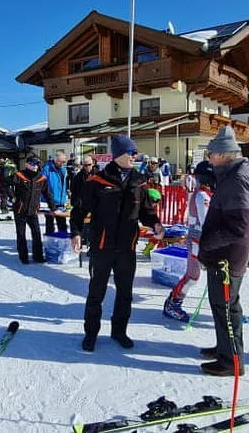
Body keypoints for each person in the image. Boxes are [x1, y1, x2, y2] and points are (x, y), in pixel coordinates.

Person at [70, 135, 163, 352]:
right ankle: (91, 333)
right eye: (132, 152)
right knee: (96, 292)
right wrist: (75, 233)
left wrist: (156, 224)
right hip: (102, 247)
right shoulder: (97, 181)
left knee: (125, 293)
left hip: (127, 247)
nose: (135, 156)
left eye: (135, 152)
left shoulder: (139, 181)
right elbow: (79, 211)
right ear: (119, 154)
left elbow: (146, 211)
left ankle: (119, 331)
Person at [197, 126, 249, 376]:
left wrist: (207, 244)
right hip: (228, 254)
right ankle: (226, 347)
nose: (209, 160)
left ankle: (230, 360)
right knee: (226, 305)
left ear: (223, 154)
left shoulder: (236, 179)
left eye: (211, 154)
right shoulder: (237, 174)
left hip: (227, 256)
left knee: (225, 306)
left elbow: (238, 226)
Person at [163, 161, 215, 322]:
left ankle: (230, 310)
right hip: (198, 241)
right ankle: (173, 303)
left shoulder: (206, 193)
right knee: (193, 276)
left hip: (201, 240)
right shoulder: (202, 196)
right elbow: (207, 221)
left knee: (209, 276)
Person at [11, 156, 57, 264]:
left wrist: (53, 207)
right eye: (32, 164)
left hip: (33, 211)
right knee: (21, 234)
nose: (34, 166)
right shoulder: (19, 175)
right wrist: (12, 197)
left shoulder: (41, 178)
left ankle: (38, 256)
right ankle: (23, 257)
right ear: (27, 164)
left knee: (36, 233)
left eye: (36, 164)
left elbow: (47, 194)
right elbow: (5, 185)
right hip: (20, 210)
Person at [42, 152, 68, 234]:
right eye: (61, 161)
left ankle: (63, 242)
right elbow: (42, 186)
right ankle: (50, 243)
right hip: (49, 202)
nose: (63, 163)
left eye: (64, 161)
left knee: (62, 225)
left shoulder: (64, 169)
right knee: (50, 225)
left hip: (61, 202)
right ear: (55, 160)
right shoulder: (47, 169)